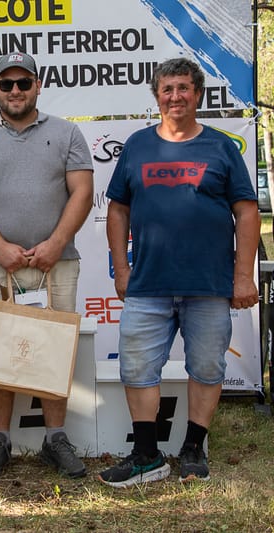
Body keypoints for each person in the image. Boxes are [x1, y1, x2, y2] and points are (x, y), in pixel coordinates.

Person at [98, 58, 259, 488]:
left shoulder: (222, 147)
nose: (175, 97)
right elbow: (117, 208)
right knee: (135, 369)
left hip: (207, 284)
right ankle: (147, 455)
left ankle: (193, 448)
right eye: (167, 89)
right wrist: (121, 267)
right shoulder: (137, 145)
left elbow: (246, 211)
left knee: (206, 368)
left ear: (198, 94)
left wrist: (243, 277)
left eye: (184, 88)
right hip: (148, 284)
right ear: (156, 95)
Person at [0, 51, 94, 479]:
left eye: (23, 83)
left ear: (37, 86)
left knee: (54, 348)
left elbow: (83, 192)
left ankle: (55, 438)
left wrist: (55, 242)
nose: (16, 91)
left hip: (56, 263)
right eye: (7, 83)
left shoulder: (68, 133)